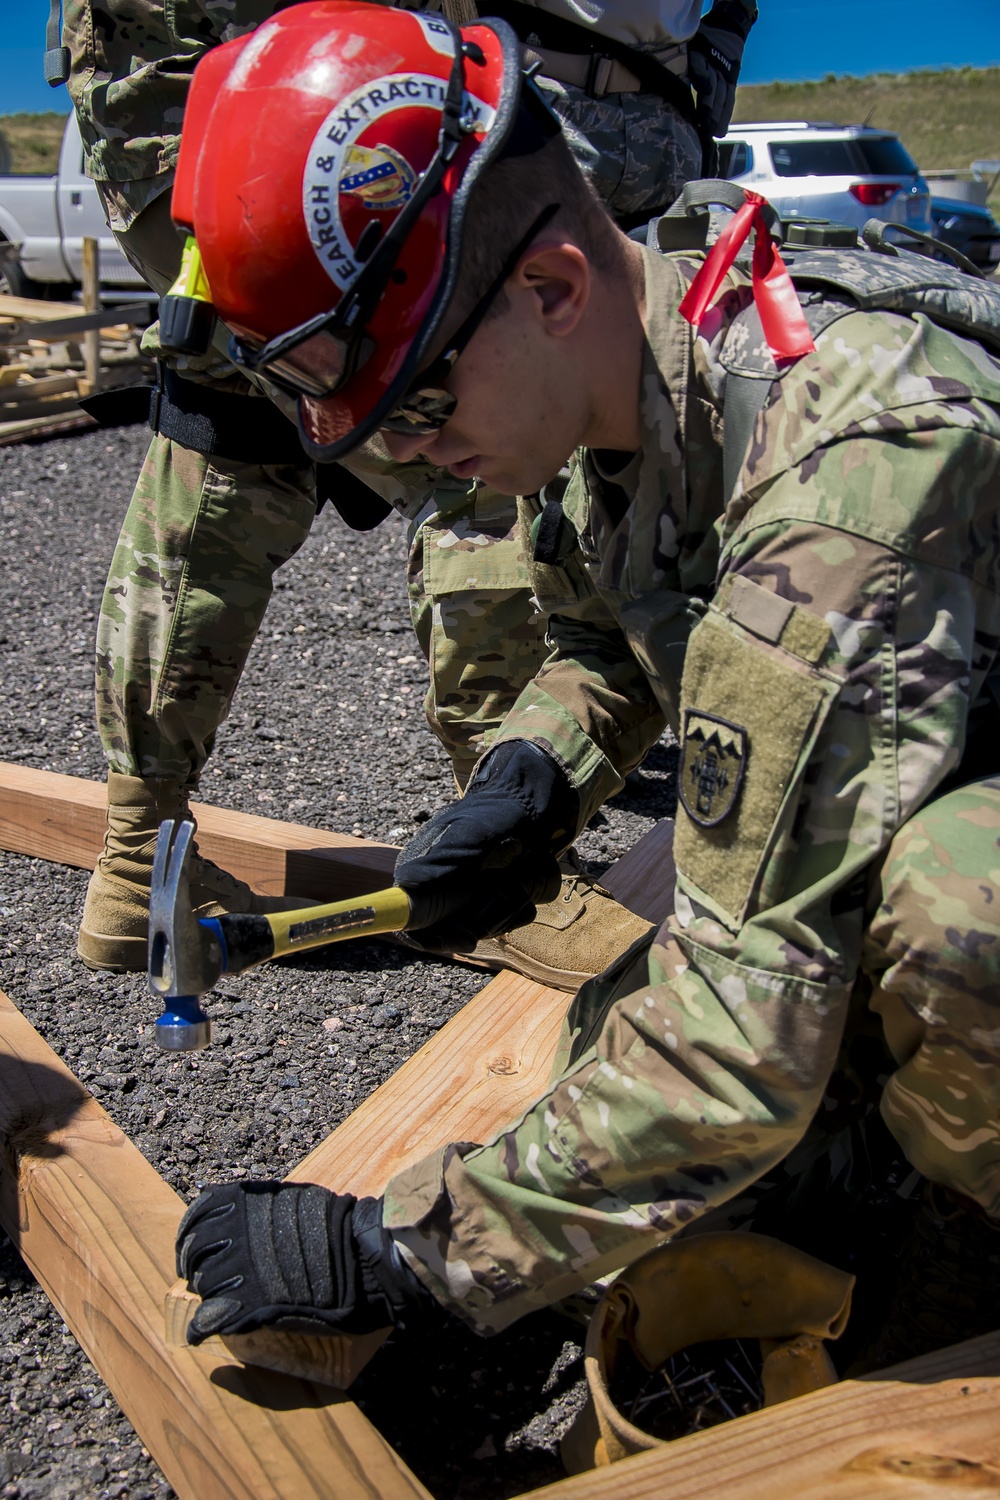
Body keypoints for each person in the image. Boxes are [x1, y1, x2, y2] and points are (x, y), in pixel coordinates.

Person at [169, 4, 1000, 1367]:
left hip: (960, 813)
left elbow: (741, 1030)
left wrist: (410, 1252)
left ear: (550, 287)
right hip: (926, 739)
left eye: (419, 408)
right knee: (641, 1029)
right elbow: (620, 643)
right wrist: (533, 778)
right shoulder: (625, 375)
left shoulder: (847, 476)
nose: (411, 460)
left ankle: (965, 1238)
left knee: (962, 910)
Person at [59, 0, 756, 988]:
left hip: (278, 123)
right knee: (473, 464)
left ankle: (145, 852)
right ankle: (503, 850)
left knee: (234, 442)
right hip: (328, 136)